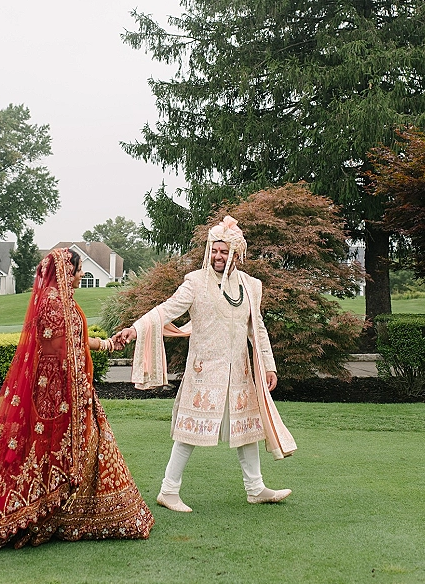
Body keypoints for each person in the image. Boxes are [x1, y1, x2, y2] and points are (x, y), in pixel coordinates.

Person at [0, 248, 153, 552]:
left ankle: (73, 516)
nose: (82, 275)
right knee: (62, 454)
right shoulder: (53, 305)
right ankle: (50, 517)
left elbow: (75, 342)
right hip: (60, 397)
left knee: (89, 450)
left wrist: (107, 343)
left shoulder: (62, 301)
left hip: (72, 391)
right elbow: (57, 352)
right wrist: (74, 393)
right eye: (79, 270)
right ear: (67, 271)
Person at [114, 215, 296, 513]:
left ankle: (255, 488)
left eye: (224, 251)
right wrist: (135, 329)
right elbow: (167, 309)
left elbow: (257, 328)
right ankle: (168, 491)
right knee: (190, 431)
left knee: (247, 429)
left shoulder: (251, 287)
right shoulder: (195, 283)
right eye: (214, 250)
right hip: (204, 372)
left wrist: (268, 365)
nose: (217, 256)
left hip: (239, 372)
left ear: (237, 253)